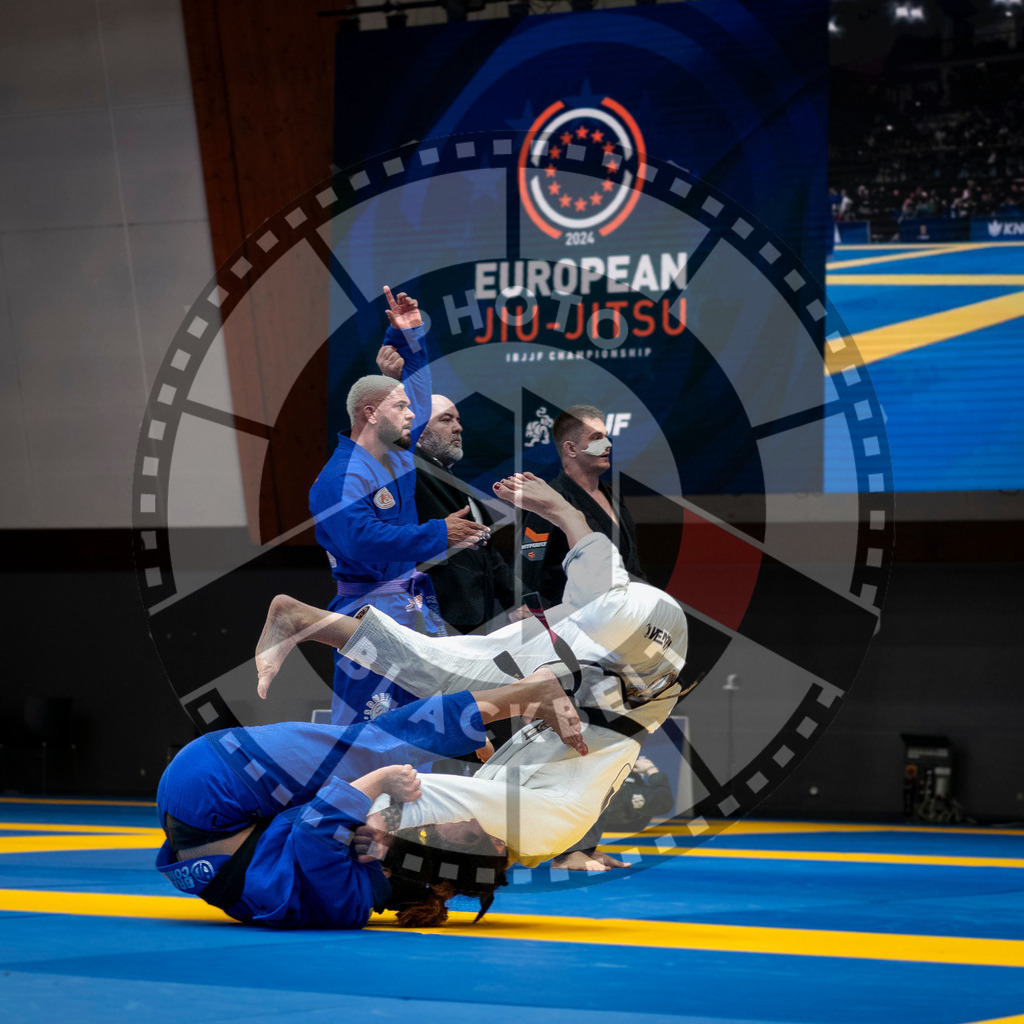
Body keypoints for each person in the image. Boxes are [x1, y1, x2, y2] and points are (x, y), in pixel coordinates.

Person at [257, 473, 696, 870]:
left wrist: (481, 731)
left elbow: (454, 789)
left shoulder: (511, 821)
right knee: (605, 610)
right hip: (643, 653)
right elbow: (420, 799)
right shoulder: (531, 832)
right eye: (441, 840)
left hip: (600, 663)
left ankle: (304, 620)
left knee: (440, 670)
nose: (441, 830)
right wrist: (373, 838)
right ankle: (567, 521)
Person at [156, 673, 585, 930]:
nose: (470, 823)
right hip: (203, 806)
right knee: (380, 760)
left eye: (472, 832)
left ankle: (528, 694)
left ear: (438, 881)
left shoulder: (348, 905)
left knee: (378, 750)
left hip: (209, 789)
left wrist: (382, 779)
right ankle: (509, 704)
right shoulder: (371, 877)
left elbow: (314, 831)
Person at [309, 287, 489, 724]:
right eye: (402, 408)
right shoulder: (339, 478)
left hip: (411, 607)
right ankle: (358, 792)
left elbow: (420, 393)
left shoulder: (397, 457)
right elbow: (360, 539)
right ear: (371, 413)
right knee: (370, 727)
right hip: (367, 614)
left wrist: (409, 338)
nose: (414, 415)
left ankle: (413, 791)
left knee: (421, 723)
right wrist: (439, 533)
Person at [375, 344, 521, 635]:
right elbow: (388, 437)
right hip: (434, 614)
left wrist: (516, 601)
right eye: (445, 419)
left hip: (478, 618)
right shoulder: (408, 468)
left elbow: (487, 555)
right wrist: (392, 382)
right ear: (416, 430)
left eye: (458, 419)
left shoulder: (459, 487)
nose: (458, 427)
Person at [520, 405, 645, 609]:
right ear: (571, 449)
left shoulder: (613, 494)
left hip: (628, 613)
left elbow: (631, 563)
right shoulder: (549, 499)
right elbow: (531, 570)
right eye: (596, 438)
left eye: (606, 437)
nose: (607, 445)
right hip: (576, 618)